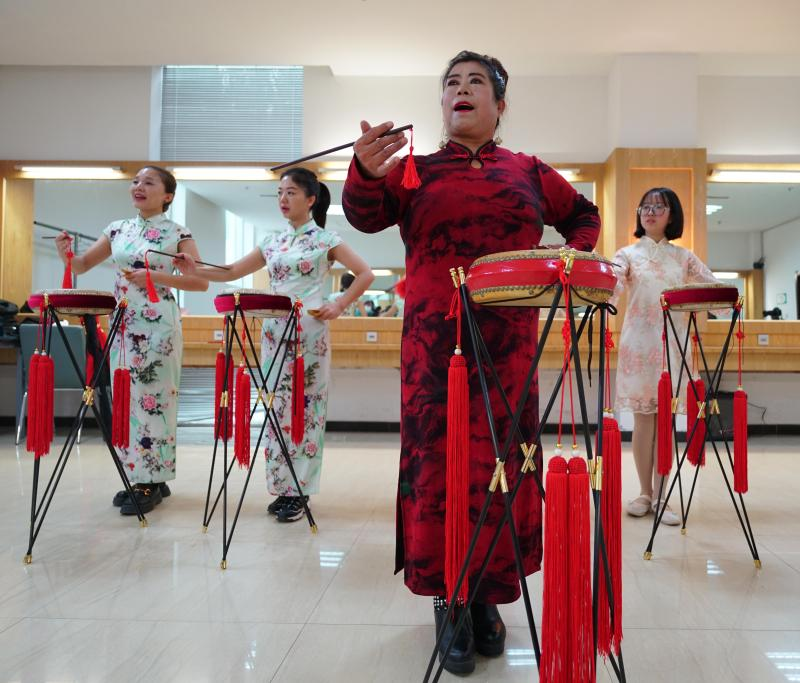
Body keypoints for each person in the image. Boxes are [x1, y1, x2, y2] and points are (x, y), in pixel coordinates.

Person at [342, 50, 600, 675]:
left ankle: (488, 594)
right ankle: (447, 596)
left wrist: (559, 266)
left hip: (512, 344)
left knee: (504, 465)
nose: (461, 90)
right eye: (451, 83)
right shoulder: (416, 171)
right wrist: (364, 172)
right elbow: (363, 216)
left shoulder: (530, 170)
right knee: (440, 465)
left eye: (475, 82)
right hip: (434, 350)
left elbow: (583, 219)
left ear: (500, 103)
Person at [177, 167, 373, 522]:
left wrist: (339, 304)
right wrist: (193, 267)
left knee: (305, 407)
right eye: (280, 193)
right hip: (273, 331)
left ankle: (300, 491)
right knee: (275, 408)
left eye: (291, 193)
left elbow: (366, 273)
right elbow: (230, 271)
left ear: (311, 200)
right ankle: (282, 487)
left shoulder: (326, 240)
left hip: (309, 332)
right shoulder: (271, 241)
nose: (283, 199)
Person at [55, 166, 208, 515]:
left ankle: (148, 480)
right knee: (127, 398)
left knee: (155, 400)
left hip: (160, 327)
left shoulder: (177, 232)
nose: (138, 186)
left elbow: (200, 282)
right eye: (136, 181)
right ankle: (146, 475)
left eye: (149, 182)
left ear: (167, 195)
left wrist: (157, 275)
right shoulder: (117, 229)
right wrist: (67, 253)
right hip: (124, 326)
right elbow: (81, 265)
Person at [611, 187, 719, 527]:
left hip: (673, 345)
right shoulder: (626, 254)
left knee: (666, 421)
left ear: (672, 215)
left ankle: (662, 495)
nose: (650, 212)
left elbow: (713, 289)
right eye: (645, 206)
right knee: (644, 420)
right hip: (638, 346)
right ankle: (644, 493)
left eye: (659, 206)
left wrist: (700, 303)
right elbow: (609, 289)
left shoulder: (684, 257)